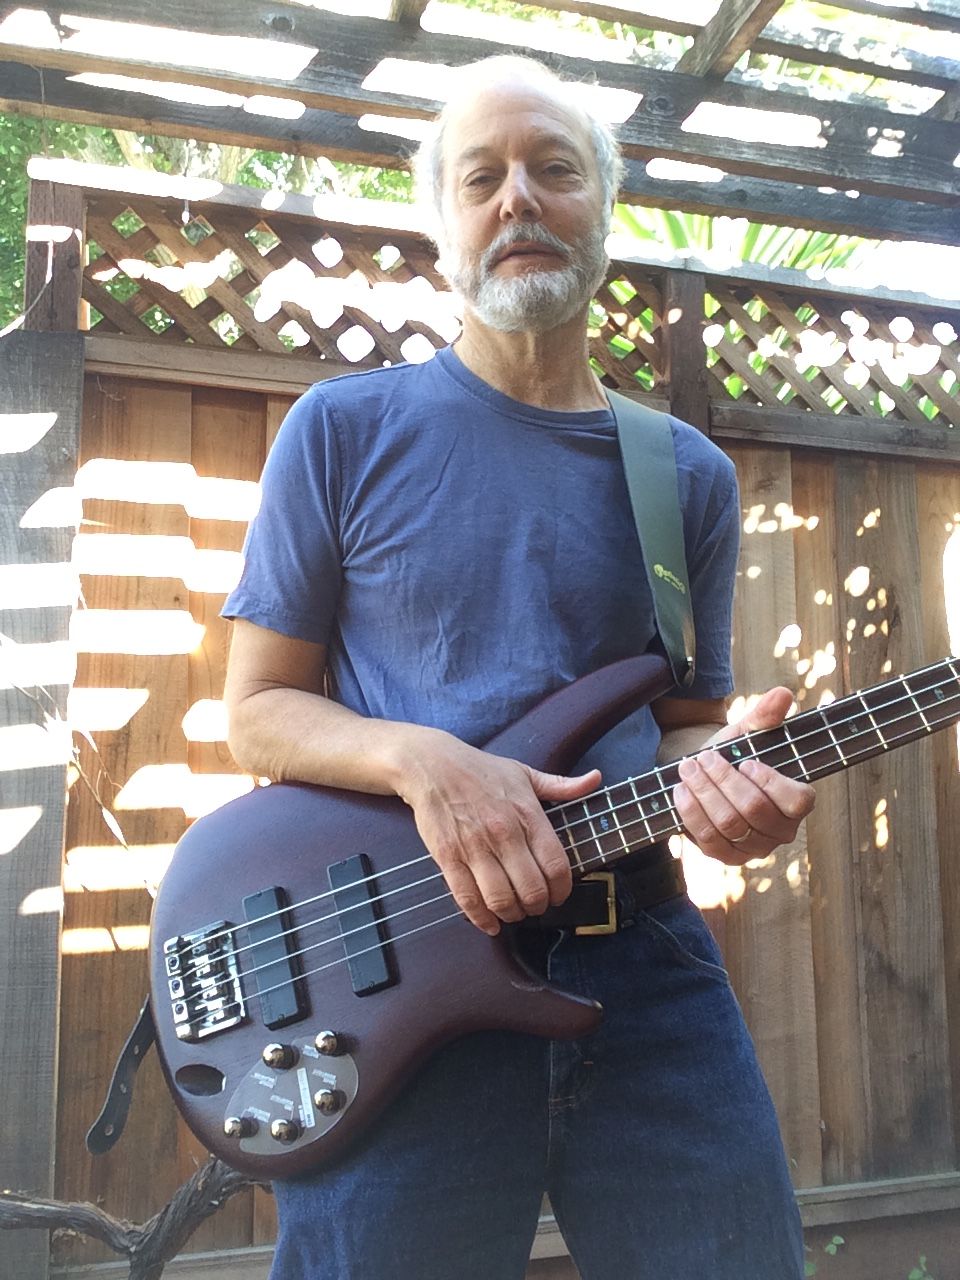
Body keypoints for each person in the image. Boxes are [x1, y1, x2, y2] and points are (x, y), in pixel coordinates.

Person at [222, 54, 815, 1280]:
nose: (519, 199)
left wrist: (732, 781)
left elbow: (686, 724)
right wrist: (424, 761)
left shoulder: (686, 474)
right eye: (482, 177)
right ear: (441, 227)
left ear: (602, 204)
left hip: (644, 968)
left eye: (555, 170)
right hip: (402, 978)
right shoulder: (339, 430)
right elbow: (257, 713)